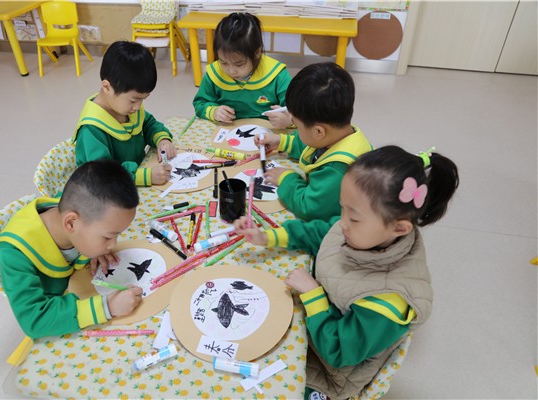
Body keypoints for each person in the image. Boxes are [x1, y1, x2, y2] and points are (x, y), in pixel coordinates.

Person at [237, 145, 459, 399]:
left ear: (399, 228)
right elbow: (323, 232)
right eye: (342, 208)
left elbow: (338, 352)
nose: (342, 222)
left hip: (333, 372)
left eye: (353, 218)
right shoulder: (363, 231)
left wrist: (313, 293)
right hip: (316, 321)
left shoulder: (388, 300)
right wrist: (268, 237)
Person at [0, 160, 143, 339]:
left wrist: (94, 250)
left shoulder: (78, 211)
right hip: (59, 324)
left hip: (81, 290)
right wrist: (107, 307)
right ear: (71, 223)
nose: (113, 245)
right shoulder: (14, 253)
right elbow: (34, 320)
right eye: (107, 237)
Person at [257, 62, 372, 222]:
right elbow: (311, 146)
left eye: (297, 126)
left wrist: (286, 179)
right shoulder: (340, 134)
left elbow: (309, 208)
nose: (297, 130)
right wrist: (281, 141)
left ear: (318, 131)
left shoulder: (337, 170)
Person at [73, 41, 176, 187]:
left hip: (131, 183)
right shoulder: (91, 129)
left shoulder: (126, 108)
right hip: (105, 191)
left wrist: (162, 140)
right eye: (134, 100)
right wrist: (144, 176)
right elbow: (103, 176)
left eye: (143, 99)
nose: (138, 106)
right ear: (107, 87)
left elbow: (148, 124)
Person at [192, 12, 293, 129]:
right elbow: (200, 104)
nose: (231, 71)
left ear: (257, 53)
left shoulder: (277, 75)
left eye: (239, 64)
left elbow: (299, 112)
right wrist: (214, 112)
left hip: (268, 134)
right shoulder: (214, 74)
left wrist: (289, 120)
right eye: (223, 62)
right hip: (228, 132)